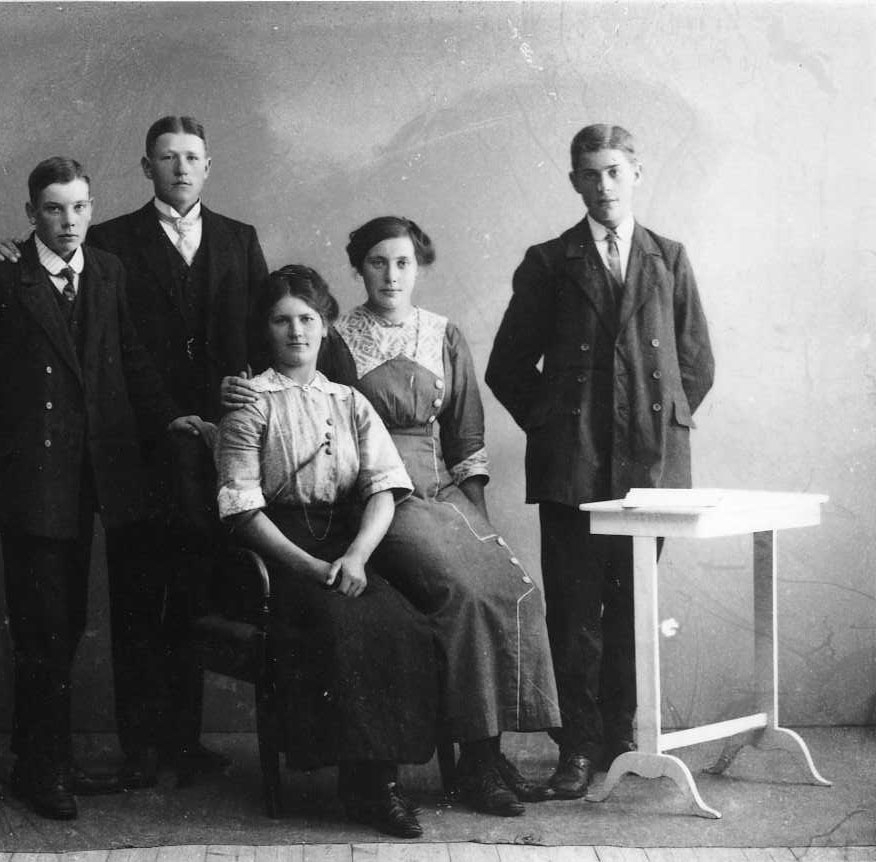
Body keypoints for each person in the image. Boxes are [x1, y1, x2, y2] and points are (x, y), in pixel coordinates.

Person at [0, 116, 268, 788]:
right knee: (137, 598)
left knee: (193, 590)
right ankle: (140, 745)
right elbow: (77, 309)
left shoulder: (239, 239)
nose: (180, 168)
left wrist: (247, 392)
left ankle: (183, 742)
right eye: (167, 158)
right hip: (133, 448)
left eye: (191, 157)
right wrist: (9, 254)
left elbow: (262, 331)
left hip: (215, 442)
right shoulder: (107, 239)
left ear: (208, 165)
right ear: (146, 168)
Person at [0, 156, 187, 820]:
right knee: (43, 627)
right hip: (31, 485)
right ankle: (42, 770)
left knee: (69, 624)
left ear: (91, 208)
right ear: (31, 213)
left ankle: (40, 754)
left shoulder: (106, 271)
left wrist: (171, 416)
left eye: (79, 207)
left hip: (96, 477)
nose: (69, 221)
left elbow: (129, 357)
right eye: (53, 208)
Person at [485, 124, 715, 799]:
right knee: (575, 613)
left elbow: (697, 363)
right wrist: (558, 425)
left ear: (636, 173)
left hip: (650, 467)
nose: (604, 185)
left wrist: (655, 423)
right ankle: (578, 749)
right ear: (574, 182)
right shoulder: (549, 262)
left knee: (634, 608)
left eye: (615, 171)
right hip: (574, 467)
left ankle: (623, 740)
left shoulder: (669, 258)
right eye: (590, 174)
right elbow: (507, 366)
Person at [320, 216, 560, 816]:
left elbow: (466, 436)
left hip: (444, 493)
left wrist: (479, 520)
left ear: (419, 267)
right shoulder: (337, 339)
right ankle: (475, 767)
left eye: (403, 263)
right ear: (359, 268)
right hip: (383, 497)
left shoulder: (443, 333)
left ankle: (487, 754)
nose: (391, 275)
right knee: (464, 592)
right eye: (378, 263)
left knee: (513, 586)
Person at [215, 264, 440, 839]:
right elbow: (242, 511)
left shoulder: (349, 401)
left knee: (403, 623)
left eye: (308, 319)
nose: (296, 332)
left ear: (325, 325)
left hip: (345, 545)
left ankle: (378, 781)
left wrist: (357, 557)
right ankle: (364, 787)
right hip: (278, 554)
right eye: (282, 320)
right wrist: (313, 567)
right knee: (339, 623)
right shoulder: (249, 403)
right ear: (265, 329)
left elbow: (384, 488)